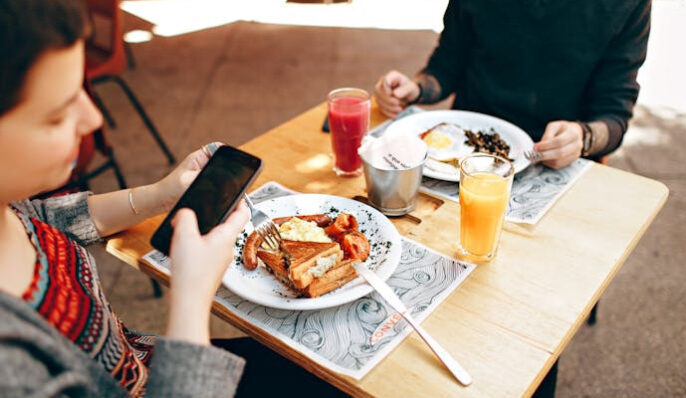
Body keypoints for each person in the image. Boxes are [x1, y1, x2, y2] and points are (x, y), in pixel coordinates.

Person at [0, 1, 345, 396]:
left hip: (145, 357)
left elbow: (44, 218)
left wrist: (160, 195)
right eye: (57, 115)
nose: (93, 119)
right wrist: (191, 295)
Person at [375, 0, 651, 169]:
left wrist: (583, 136)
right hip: (463, 152)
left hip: (554, 162)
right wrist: (417, 88)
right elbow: (446, 65)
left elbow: (614, 116)